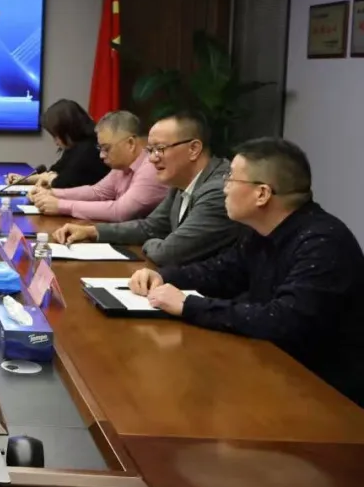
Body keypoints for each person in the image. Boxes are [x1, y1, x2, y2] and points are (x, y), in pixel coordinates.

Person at [129, 138, 364, 407]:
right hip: (275, 368)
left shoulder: (322, 243)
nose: (224, 188)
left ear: (262, 194)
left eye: (231, 179)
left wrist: (188, 305)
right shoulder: (261, 231)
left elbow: (282, 321)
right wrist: (164, 277)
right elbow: (222, 272)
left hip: (326, 395)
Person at [53, 112, 242, 267]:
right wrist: (92, 231)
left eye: (160, 149)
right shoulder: (180, 182)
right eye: (150, 150)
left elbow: (167, 253)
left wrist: (155, 242)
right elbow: (150, 227)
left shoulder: (218, 190)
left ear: (193, 149)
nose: (152, 159)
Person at [29, 110, 166, 222]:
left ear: (130, 144)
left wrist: (61, 206)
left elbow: (119, 211)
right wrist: (52, 193)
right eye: (100, 148)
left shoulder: (151, 167)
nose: (101, 155)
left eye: (106, 149)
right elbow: (98, 192)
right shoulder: (122, 166)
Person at [6, 99, 108, 189]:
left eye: (55, 136)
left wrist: (50, 178)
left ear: (68, 129)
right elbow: (55, 172)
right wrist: (24, 180)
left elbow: (61, 183)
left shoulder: (88, 149)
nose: (55, 142)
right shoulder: (75, 146)